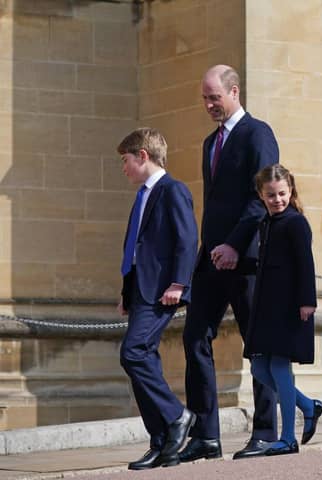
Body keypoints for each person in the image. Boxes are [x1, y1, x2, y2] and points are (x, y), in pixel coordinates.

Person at [180, 65, 279, 462]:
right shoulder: (209, 143)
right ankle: (206, 436)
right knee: (193, 337)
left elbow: (263, 196)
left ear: (234, 91)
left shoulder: (258, 133)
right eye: (204, 98)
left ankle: (267, 433)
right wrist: (209, 249)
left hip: (248, 256)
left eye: (214, 97)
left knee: (258, 345)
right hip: (213, 258)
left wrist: (236, 244)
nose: (208, 105)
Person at [116, 128, 199, 470]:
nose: (123, 168)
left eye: (125, 161)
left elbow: (187, 238)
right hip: (141, 290)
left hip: (162, 290)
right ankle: (162, 441)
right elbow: (136, 248)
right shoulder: (142, 195)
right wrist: (126, 292)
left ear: (143, 156)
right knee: (143, 359)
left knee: (131, 352)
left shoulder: (172, 190)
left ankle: (178, 415)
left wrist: (179, 283)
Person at [241, 164, 322, 456]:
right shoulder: (266, 222)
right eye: (271, 195)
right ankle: (307, 405)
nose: (277, 199)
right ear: (261, 195)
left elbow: (305, 264)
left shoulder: (295, 222)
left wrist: (307, 302)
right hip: (267, 306)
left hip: (290, 305)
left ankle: (288, 437)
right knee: (259, 367)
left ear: (290, 191)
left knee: (278, 366)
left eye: (282, 194)